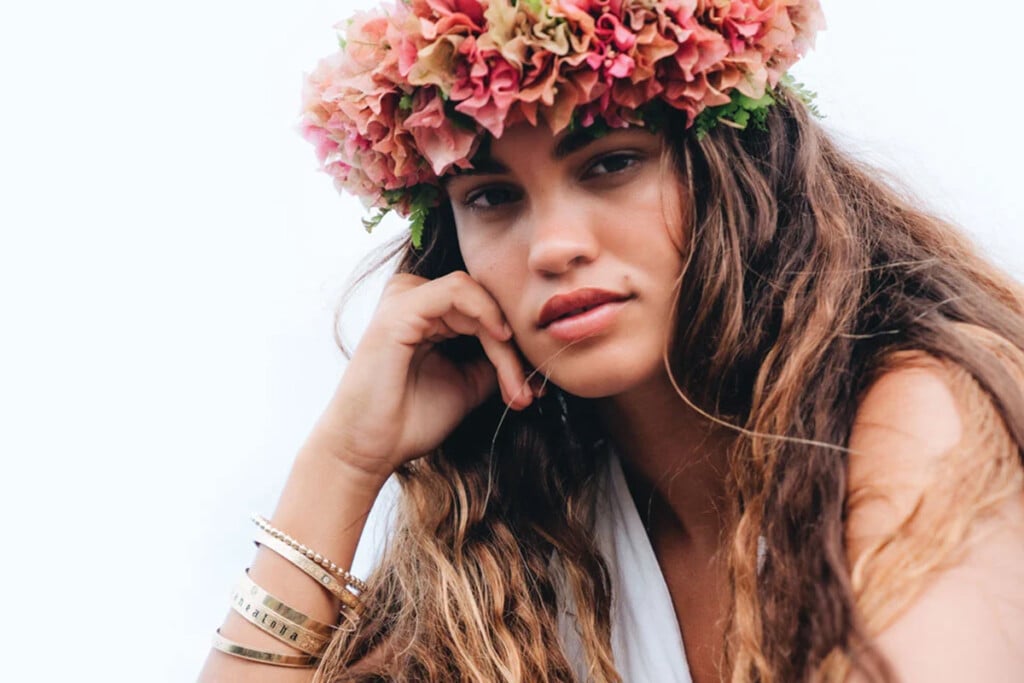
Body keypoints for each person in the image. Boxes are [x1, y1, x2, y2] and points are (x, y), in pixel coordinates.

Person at [199, 1, 1024, 681]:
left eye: (610, 163)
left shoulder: (911, 409)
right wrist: (341, 464)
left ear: (732, 172)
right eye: (491, 197)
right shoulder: (520, 519)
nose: (553, 246)